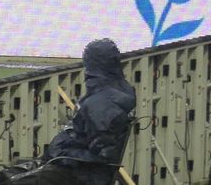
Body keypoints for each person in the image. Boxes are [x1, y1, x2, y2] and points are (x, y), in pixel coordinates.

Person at [24, 39, 136, 185]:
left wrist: (61, 154)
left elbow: (101, 155)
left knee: (10, 178)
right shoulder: (118, 92)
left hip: (78, 174)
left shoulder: (100, 105)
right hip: (75, 167)